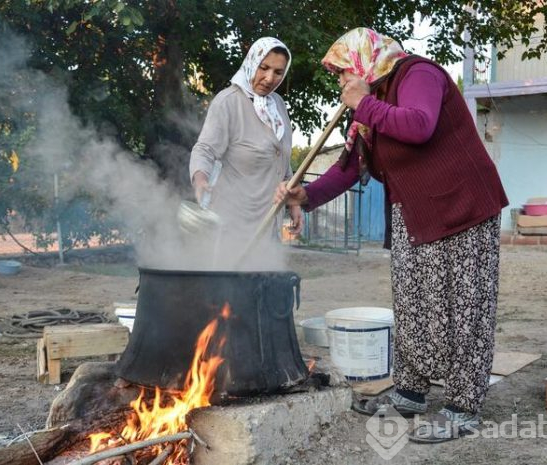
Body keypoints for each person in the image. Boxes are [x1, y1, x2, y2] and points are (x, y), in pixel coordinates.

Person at [276, 27, 509, 443]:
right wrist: (305, 195)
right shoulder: (372, 102)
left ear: (366, 59)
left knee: (465, 307)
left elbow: (419, 126)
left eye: (344, 71)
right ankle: (410, 394)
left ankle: (462, 406)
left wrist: (363, 102)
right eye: (339, 75)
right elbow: (350, 167)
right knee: (413, 305)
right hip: (414, 212)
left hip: (463, 208)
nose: (341, 81)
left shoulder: (417, 75)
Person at [189, 37, 302, 245]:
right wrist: (200, 179)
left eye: (278, 72)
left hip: (270, 225)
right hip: (233, 227)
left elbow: (282, 161)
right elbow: (204, 149)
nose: (269, 78)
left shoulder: (278, 106)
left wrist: (293, 203)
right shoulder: (228, 102)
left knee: (267, 277)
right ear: (251, 62)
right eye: (264, 67)